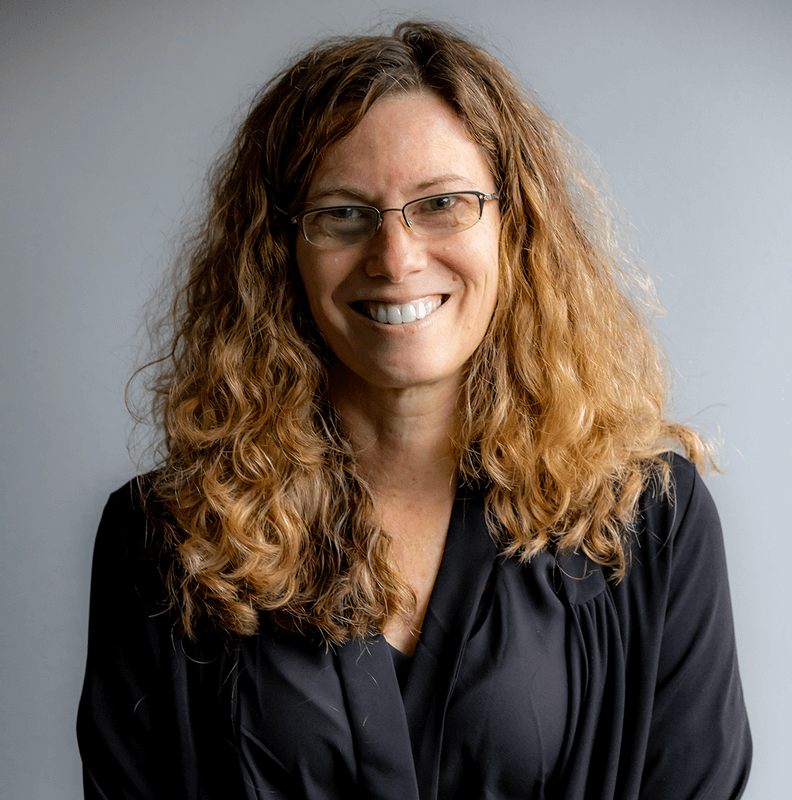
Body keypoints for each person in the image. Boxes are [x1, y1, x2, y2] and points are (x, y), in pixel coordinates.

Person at [77, 20, 751, 800]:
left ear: (516, 227)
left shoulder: (649, 519)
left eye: (442, 204)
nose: (395, 258)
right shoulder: (166, 539)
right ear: (279, 251)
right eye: (342, 213)